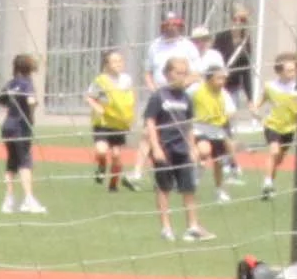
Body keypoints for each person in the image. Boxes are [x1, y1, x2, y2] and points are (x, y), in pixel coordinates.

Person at [144, 56, 212, 242]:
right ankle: (166, 228)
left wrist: (192, 148)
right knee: (164, 188)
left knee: (188, 188)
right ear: (166, 74)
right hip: (164, 148)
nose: (181, 77)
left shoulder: (186, 98)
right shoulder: (158, 96)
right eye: (177, 73)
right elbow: (150, 122)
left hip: (182, 149)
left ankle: (193, 226)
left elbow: (189, 125)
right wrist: (155, 147)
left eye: (184, 73)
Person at [0, 53, 46, 215]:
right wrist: (32, 111)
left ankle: (8, 200)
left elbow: (0, 100)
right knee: (25, 162)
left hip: (7, 126)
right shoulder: (27, 83)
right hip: (21, 127)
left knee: (11, 161)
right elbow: (31, 101)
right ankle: (28, 199)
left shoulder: (11, 83)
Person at [84, 47, 136, 192]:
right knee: (101, 151)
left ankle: (113, 184)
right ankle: (101, 165)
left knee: (116, 155)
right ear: (106, 65)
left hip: (119, 124)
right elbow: (89, 97)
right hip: (103, 123)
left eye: (120, 61)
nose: (118, 64)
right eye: (114, 61)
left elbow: (129, 101)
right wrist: (97, 106)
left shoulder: (127, 80)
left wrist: (129, 119)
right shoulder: (100, 80)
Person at [191, 59, 237, 201]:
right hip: (199, 129)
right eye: (219, 78)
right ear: (209, 79)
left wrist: (223, 115)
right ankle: (196, 171)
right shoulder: (196, 90)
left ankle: (219, 190)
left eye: (223, 78)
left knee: (219, 163)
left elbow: (231, 111)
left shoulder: (224, 94)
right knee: (204, 151)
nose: (222, 81)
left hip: (217, 131)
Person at [257, 51, 297, 199]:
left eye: (294, 69)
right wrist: (255, 108)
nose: (292, 73)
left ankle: (270, 184)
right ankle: (267, 182)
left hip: (289, 129)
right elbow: (262, 100)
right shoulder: (270, 86)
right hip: (272, 125)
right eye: (288, 70)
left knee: (279, 159)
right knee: (274, 151)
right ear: (279, 71)